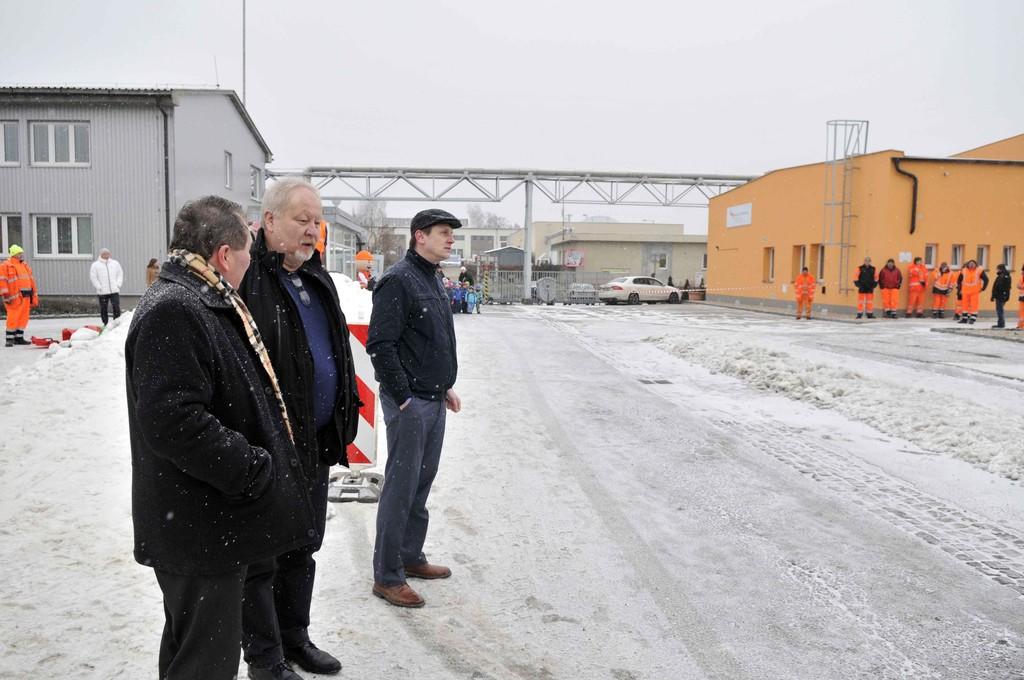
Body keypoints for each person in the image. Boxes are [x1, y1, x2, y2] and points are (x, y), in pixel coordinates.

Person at [125, 195, 317, 680]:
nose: (252, 260)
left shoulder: (199, 299)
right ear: (224, 255)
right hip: (198, 527)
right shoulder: (177, 308)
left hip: (206, 522)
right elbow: (173, 421)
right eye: (248, 250)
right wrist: (251, 469)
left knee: (193, 651)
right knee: (205, 663)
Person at [238, 178, 360, 680]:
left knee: (302, 547)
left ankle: (295, 637)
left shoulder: (315, 276)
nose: (313, 230)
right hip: (269, 447)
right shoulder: (247, 279)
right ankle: (265, 658)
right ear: (269, 221)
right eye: (302, 220)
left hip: (315, 442)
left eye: (317, 221)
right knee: (263, 556)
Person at [367, 208, 462, 608]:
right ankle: (388, 576)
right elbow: (380, 344)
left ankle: (409, 555)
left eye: (451, 233)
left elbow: (430, 339)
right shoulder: (398, 280)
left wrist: (444, 386)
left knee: (420, 485)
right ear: (419, 236)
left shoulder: (432, 278)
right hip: (410, 404)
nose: (451, 239)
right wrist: (404, 396)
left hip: (433, 398)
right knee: (401, 489)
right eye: (443, 232)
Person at [1, 245, 38, 347]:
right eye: (19, 253)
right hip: (14, 297)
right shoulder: (6, 265)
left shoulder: (24, 265)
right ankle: (9, 339)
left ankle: (19, 337)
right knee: (13, 317)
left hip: (26, 295)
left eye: (21, 253)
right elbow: (2, 281)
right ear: (14, 254)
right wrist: (5, 295)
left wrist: (34, 295)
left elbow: (31, 280)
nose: (21, 255)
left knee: (23, 317)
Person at [89, 248, 124, 326]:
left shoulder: (115, 263)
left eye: (107, 254)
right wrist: (99, 287)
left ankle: (117, 322)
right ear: (101, 255)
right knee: (104, 308)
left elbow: (120, 274)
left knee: (116, 306)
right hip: (102, 292)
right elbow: (93, 277)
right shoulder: (95, 265)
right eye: (104, 254)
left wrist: (118, 284)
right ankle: (105, 323)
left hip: (114, 290)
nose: (106, 255)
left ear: (110, 254)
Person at [956, 259, 988, 325]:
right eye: (970, 264)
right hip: (965, 291)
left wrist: (983, 288)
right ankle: (964, 319)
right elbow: (959, 280)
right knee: (964, 306)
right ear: (967, 264)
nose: (971, 265)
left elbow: (986, 279)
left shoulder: (979, 270)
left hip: (975, 291)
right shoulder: (964, 270)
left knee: (974, 305)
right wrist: (959, 289)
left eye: (973, 264)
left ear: (976, 265)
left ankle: (972, 319)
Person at [990, 263, 1011, 329]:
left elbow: (1006, 287)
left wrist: (1005, 295)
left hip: (1001, 296)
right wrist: (993, 295)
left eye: (998, 269)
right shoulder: (1001, 276)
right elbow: (995, 286)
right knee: (999, 309)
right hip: (999, 295)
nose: (997, 270)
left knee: (1000, 310)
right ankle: (1000, 323)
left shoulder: (1005, 276)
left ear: (1001, 269)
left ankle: (1001, 324)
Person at [1016, 263, 1024, 330]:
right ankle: (1020, 325)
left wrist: (1021, 286)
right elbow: (1018, 285)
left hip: (1022, 295)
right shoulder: (1022, 276)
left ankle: (1021, 325)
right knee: (1021, 312)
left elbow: (1019, 285)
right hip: (1022, 296)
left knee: (1022, 311)